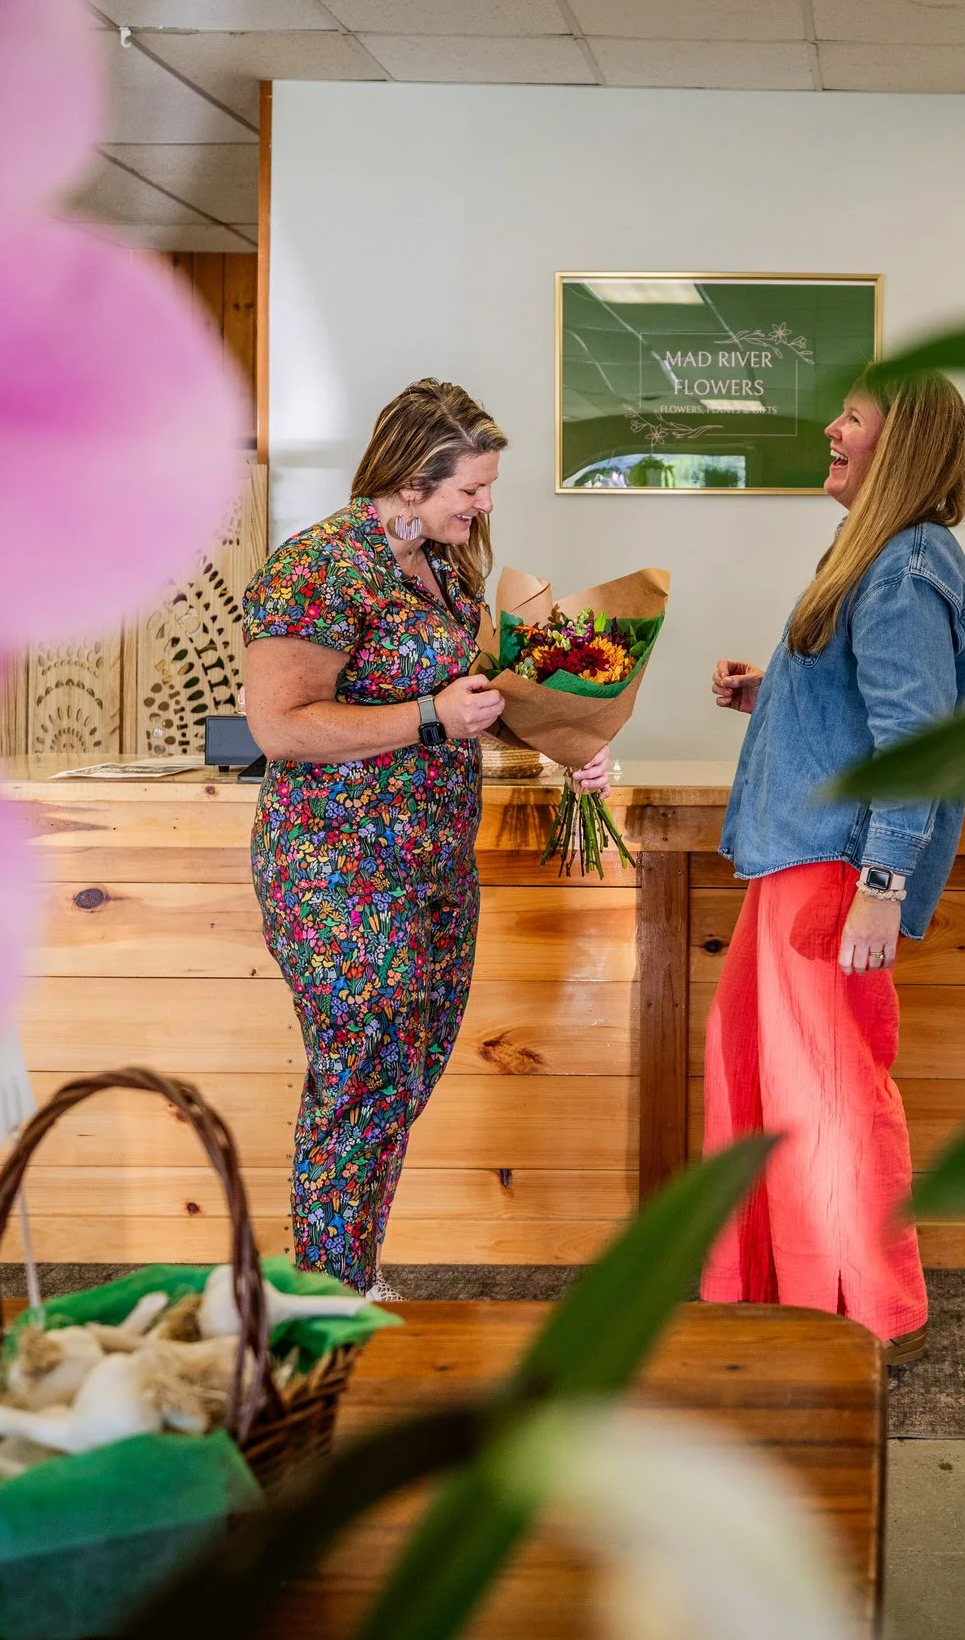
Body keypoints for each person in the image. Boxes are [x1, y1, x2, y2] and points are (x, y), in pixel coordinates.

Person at [241, 378, 610, 1294]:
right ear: (410, 479)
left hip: (433, 867)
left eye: (486, 487)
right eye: (469, 490)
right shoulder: (319, 566)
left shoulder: (445, 569)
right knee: (358, 1080)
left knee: (402, 1077)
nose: (485, 505)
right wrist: (431, 718)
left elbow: (482, 700)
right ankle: (325, 1297)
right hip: (338, 869)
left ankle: (349, 1273)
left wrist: (572, 743)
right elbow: (279, 727)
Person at [701, 367, 965, 1361]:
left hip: (834, 872)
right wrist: (775, 692)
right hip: (804, 861)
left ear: (896, 442)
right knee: (766, 1079)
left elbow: (919, 741)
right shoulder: (879, 558)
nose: (830, 427)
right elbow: (867, 708)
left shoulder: (904, 569)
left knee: (826, 1096)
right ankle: (776, 1295)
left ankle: (870, 1317)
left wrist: (881, 884)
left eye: (851, 417)